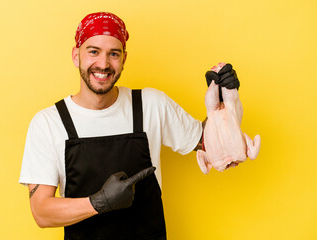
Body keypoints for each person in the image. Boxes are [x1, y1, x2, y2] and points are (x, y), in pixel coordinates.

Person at [19, 12, 239, 240]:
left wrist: (223, 105)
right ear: (76, 56)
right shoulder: (48, 123)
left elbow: (208, 144)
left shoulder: (151, 104)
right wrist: (99, 202)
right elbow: (42, 213)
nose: (103, 64)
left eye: (113, 54)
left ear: (124, 59)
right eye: (93, 51)